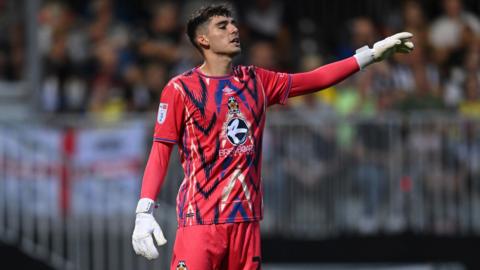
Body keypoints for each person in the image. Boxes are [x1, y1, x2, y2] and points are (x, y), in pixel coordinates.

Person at [131, 4, 414, 270]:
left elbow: (314, 79)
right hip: (201, 220)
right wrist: (144, 211)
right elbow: (160, 151)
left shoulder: (256, 81)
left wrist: (369, 56)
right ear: (203, 40)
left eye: (233, 23)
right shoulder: (180, 89)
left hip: (246, 221)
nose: (233, 29)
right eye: (222, 26)